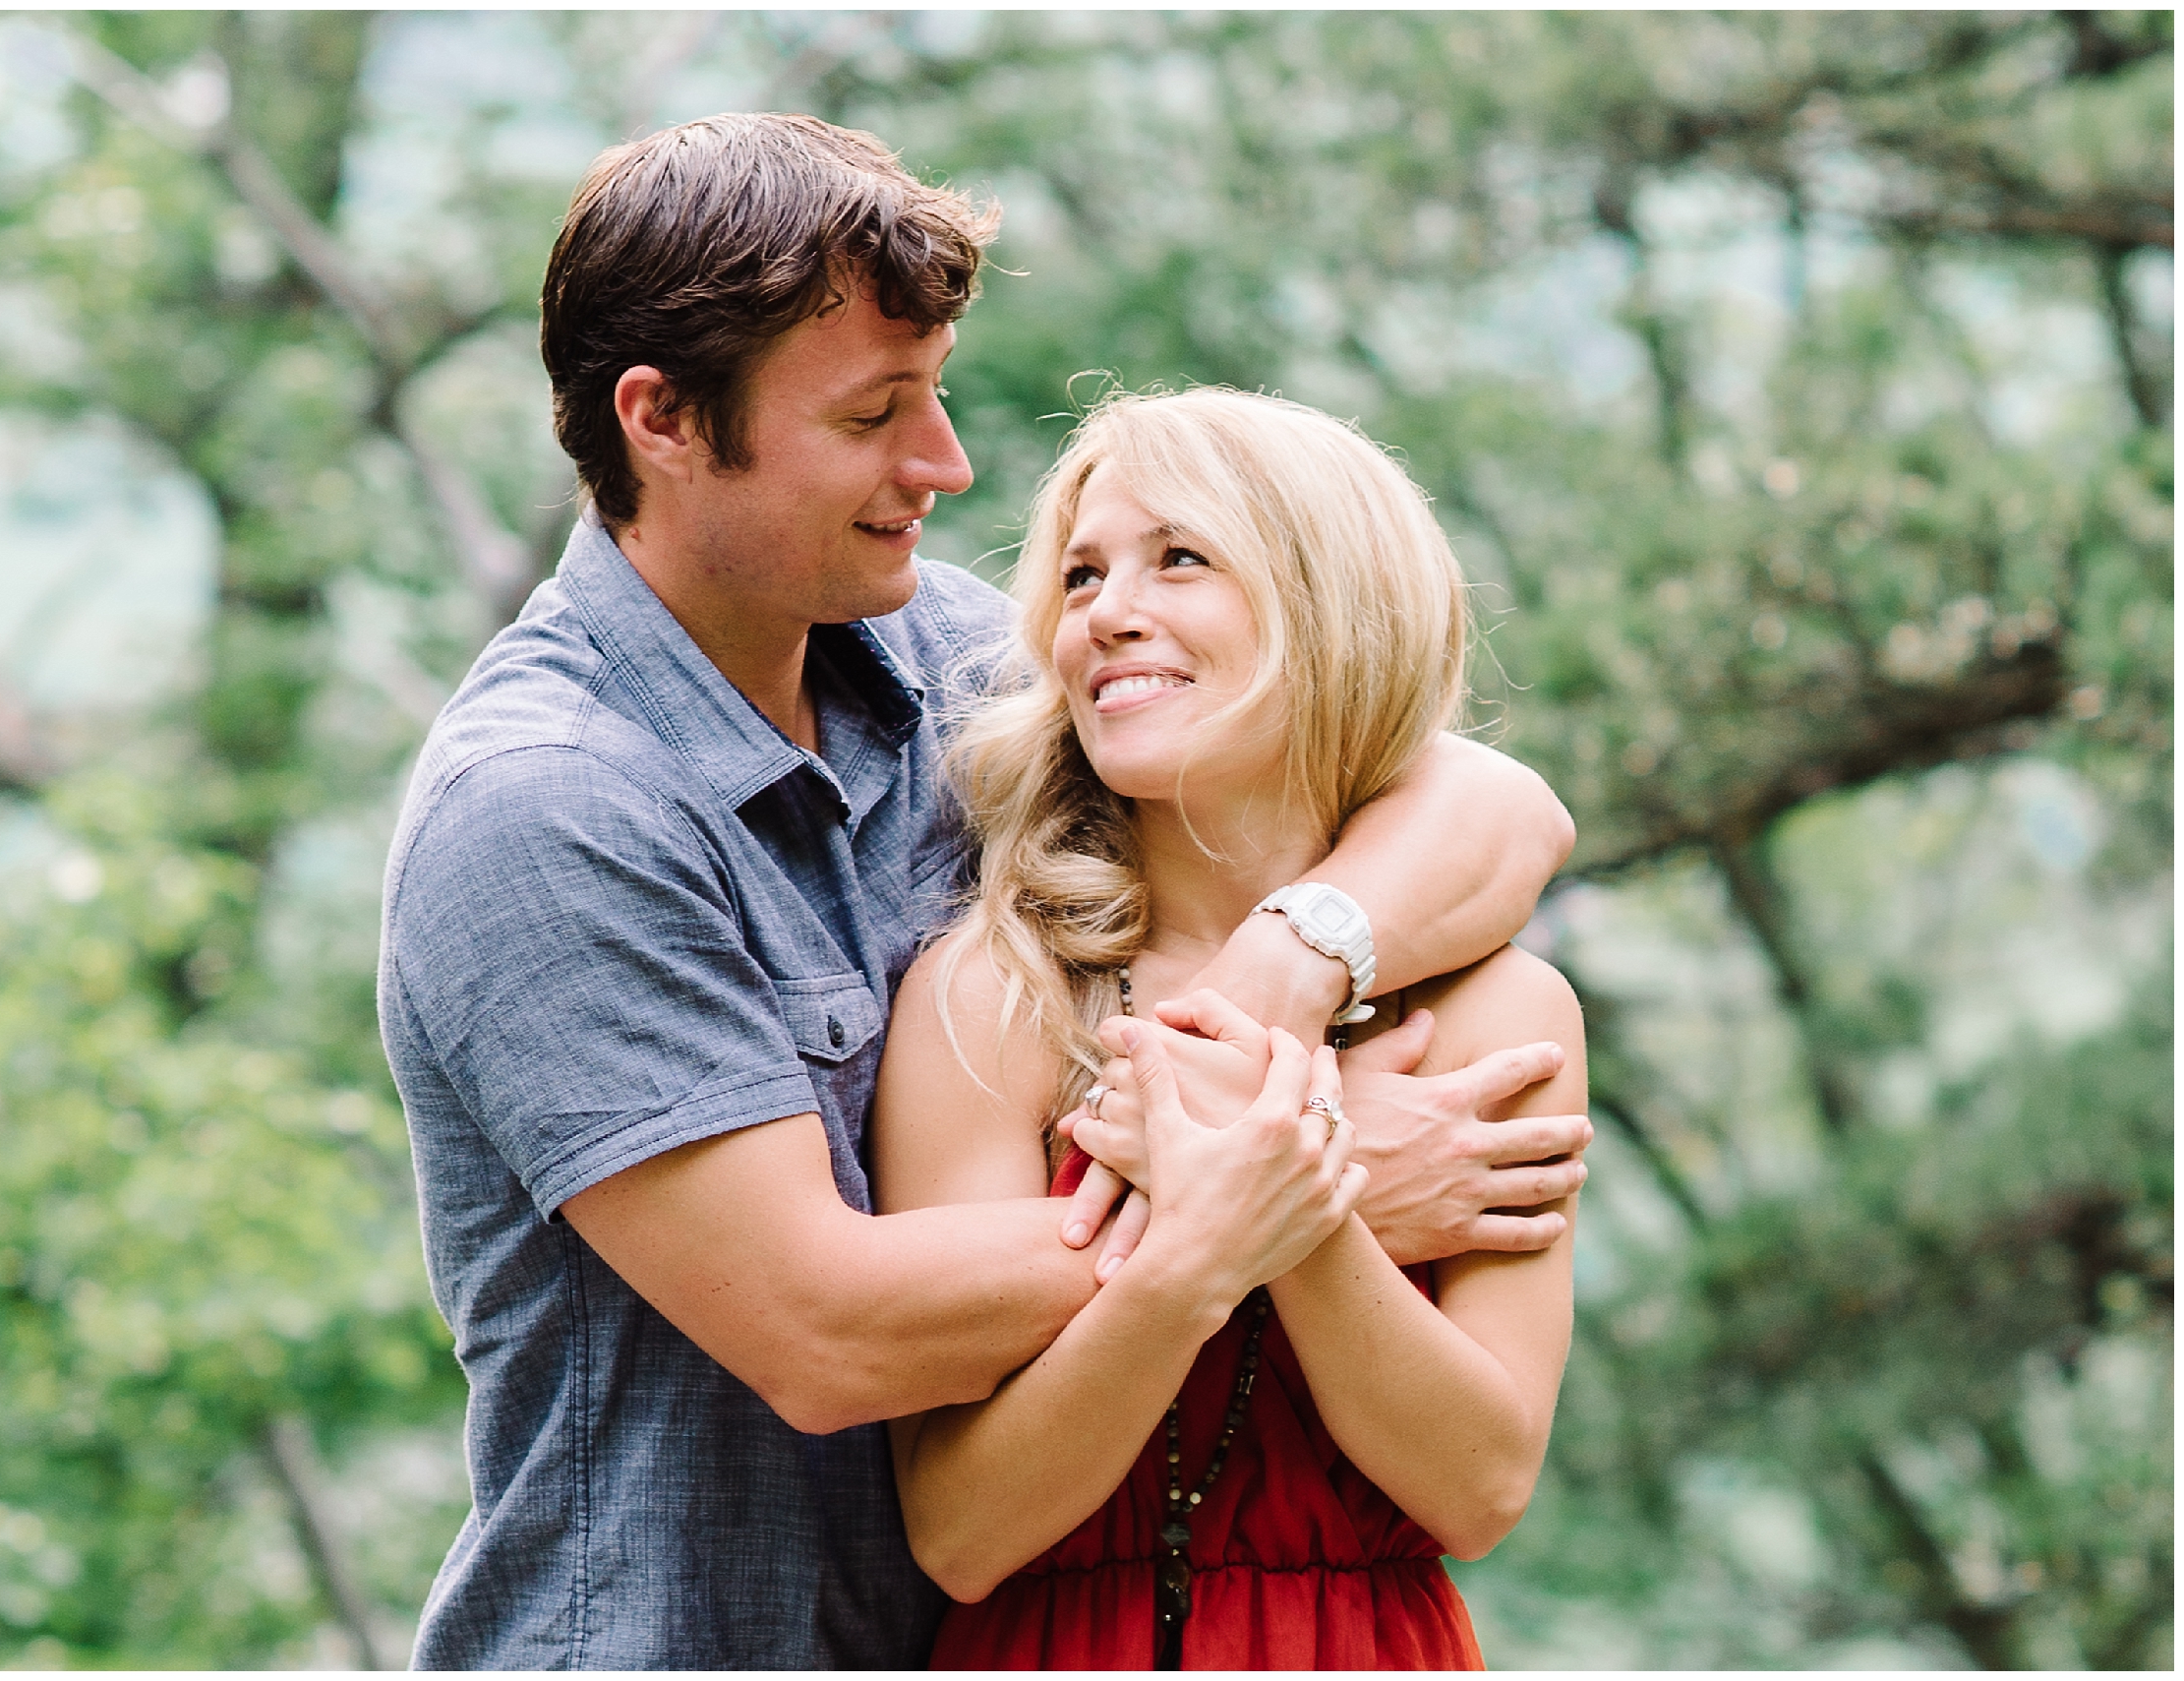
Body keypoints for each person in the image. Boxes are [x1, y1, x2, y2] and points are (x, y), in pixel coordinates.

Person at [378, 113, 1585, 1670]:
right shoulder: (545, 808)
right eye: (877, 413)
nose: (942, 466)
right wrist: (1301, 1175)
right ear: (663, 418)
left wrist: (1287, 973)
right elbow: (829, 1330)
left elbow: (1485, 801)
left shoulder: (939, 661)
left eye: (934, 397)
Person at [872, 388, 1585, 1670]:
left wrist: (1290, 1199)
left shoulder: (1501, 1013)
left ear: (1331, 602)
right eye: (1081, 574)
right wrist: (1194, 1257)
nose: (1105, 611)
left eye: (1178, 556)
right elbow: (960, 1530)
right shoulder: (989, 997)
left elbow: (1477, 1487)